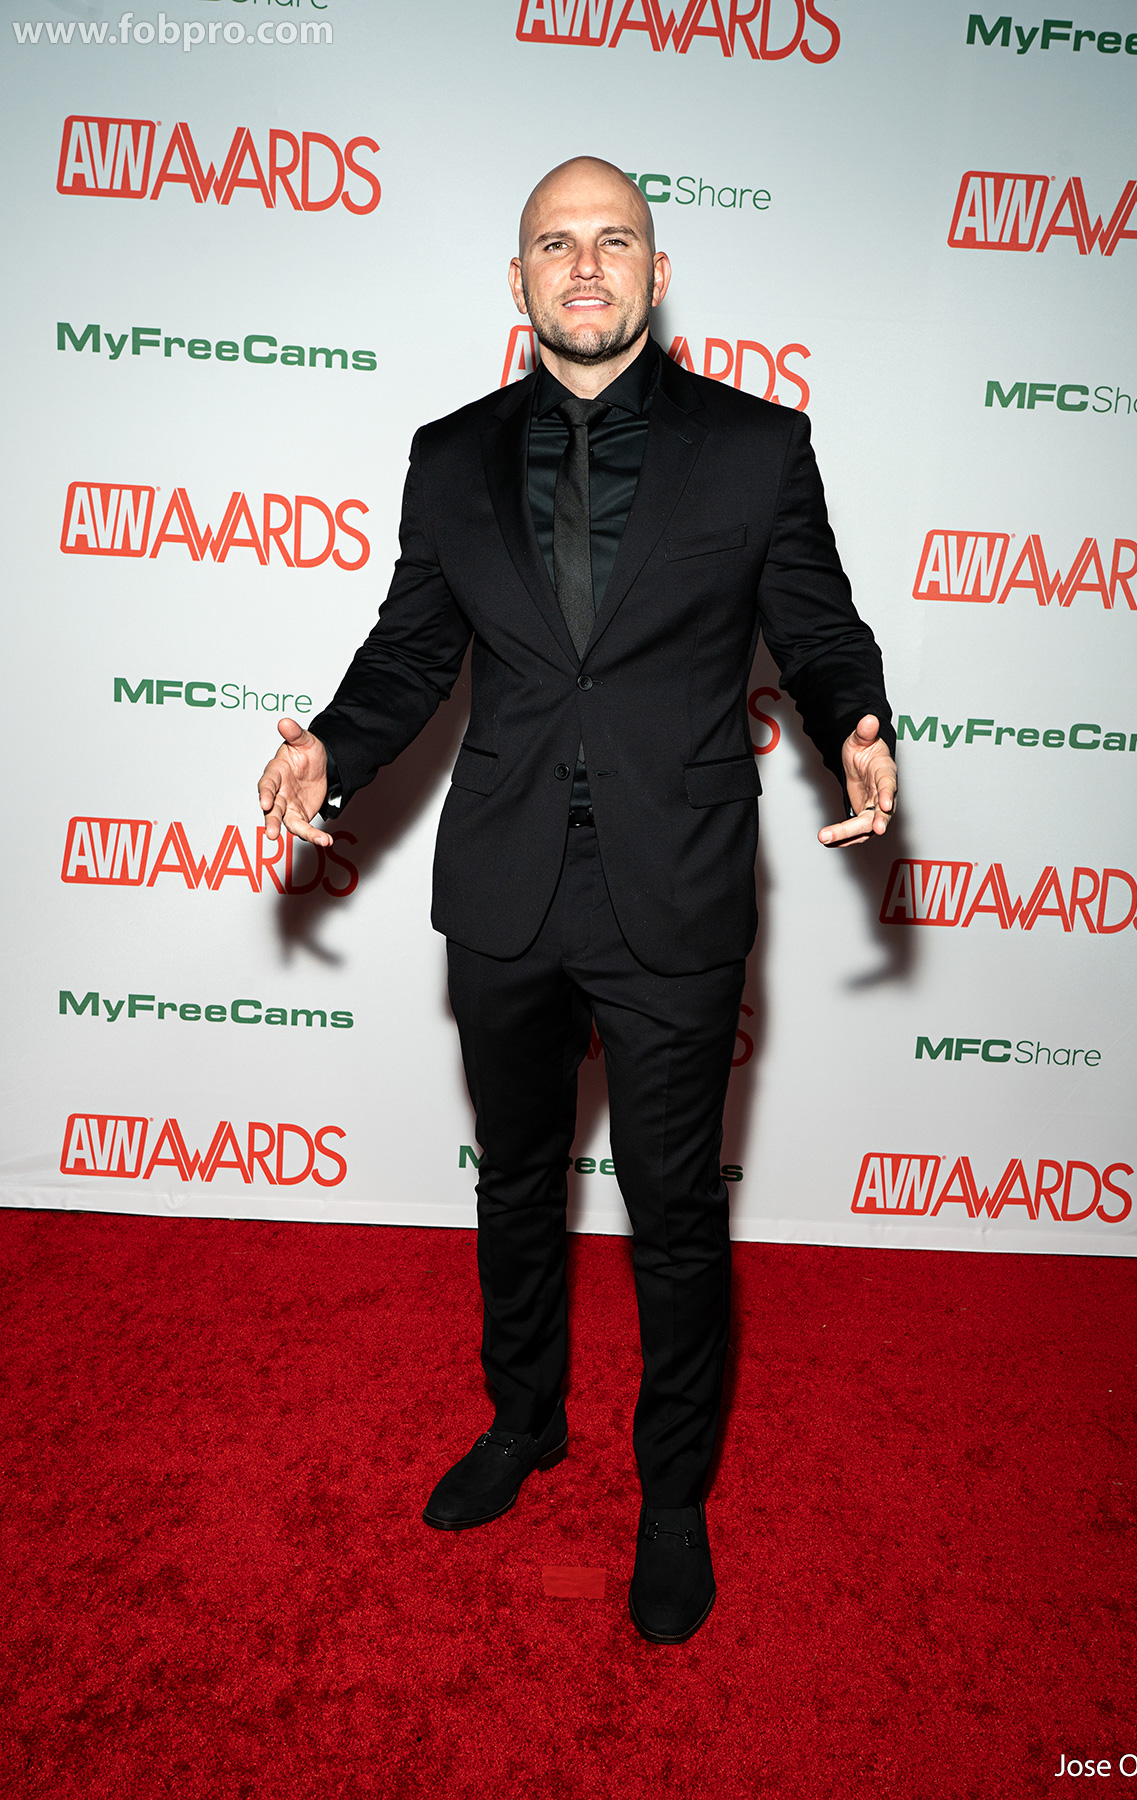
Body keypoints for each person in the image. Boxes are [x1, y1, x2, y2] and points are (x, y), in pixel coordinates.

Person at [257, 156, 897, 1645]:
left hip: (674, 884)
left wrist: (857, 723)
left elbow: (817, 628)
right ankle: (524, 1418)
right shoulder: (449, 456)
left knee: (674, 1212)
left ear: (658, 273)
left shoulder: (757, 448)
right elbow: (411, 649)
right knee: (513, 1178)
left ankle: (670, 1496)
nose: (588, 265)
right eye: (558, 243)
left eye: (616, 240)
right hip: (506, 880)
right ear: (520, 280)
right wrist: (331, 749)